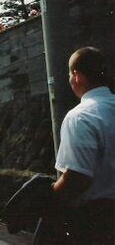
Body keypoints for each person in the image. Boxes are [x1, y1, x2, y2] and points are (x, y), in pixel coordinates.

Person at [53, 46, 115, 245]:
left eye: (70, 74)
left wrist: (49, 196)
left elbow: (77, 178)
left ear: (77, 76)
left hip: (98, 219)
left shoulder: (80, 116)